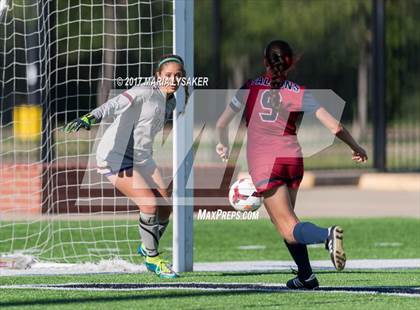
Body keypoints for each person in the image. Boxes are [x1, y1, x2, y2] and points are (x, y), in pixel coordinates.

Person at [215, 40, 367, 289]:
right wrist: (356, 147)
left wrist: (222, 145)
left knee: (287, 226)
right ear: (290, 63)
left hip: (266, 163)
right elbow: (335, 127)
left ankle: (326, 236)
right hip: (292, 160)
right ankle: (306, 276)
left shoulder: (249, 87)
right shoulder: (299, 91)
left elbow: (222, 124)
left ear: (265, 61)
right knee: (286, 222)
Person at [64, 54, 189, 279]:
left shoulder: (171, 101)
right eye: (168, 75)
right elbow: (115, 103)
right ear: (158, 76)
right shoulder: (143, 92)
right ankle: (152, 258)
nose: (173, 79)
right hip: (115, 156)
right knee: (149, 204)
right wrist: (91, 117)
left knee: (166, 207)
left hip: (141, 158)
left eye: (178, 75)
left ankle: (146, 245)